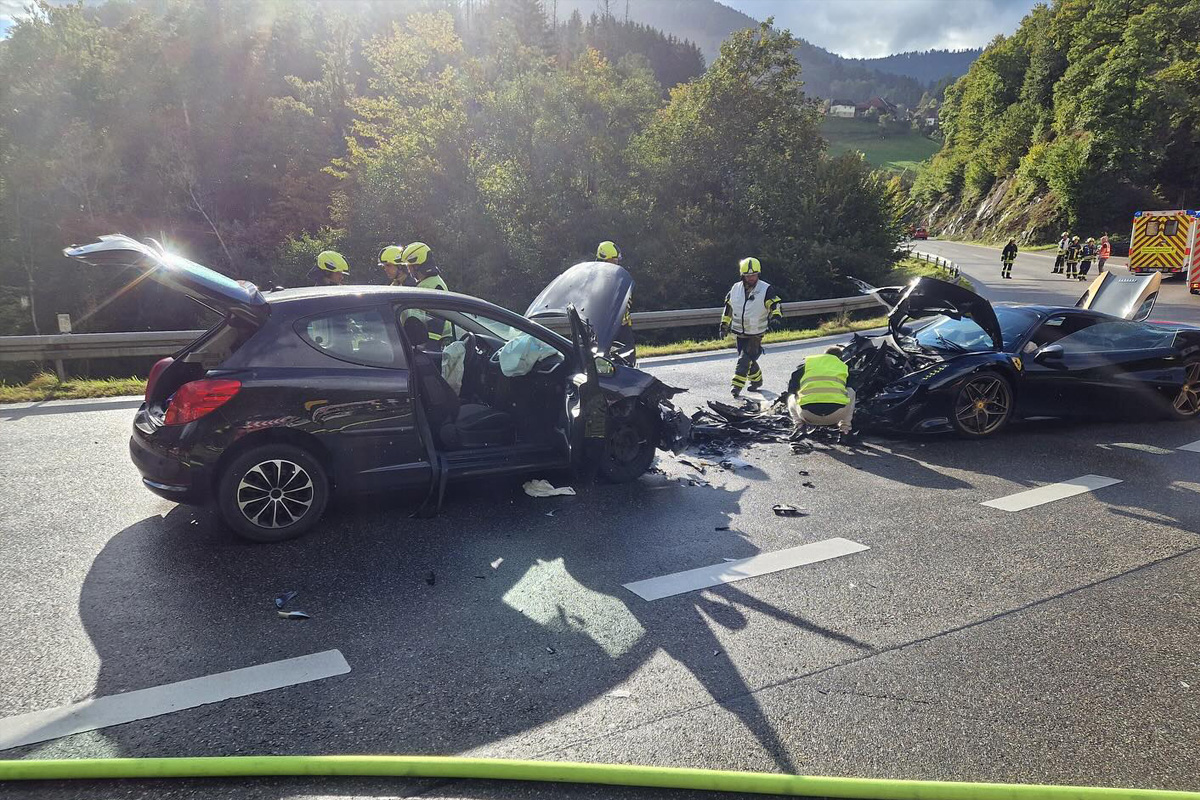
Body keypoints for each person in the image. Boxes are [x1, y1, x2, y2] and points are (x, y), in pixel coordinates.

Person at [719, 257, 782, 398]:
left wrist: (776, 316)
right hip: (740, 332)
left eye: (754, 275)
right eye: (748, 276)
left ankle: (736, 386)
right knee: (749, 360)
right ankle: (757, 381)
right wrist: (724, 325)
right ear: (743, 275)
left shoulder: (766, 289)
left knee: (744, 360)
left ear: (758, 273)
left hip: (756, 333)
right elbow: (728, 308)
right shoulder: (735, 289)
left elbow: (774, 304)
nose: (751, 278)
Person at [786, 346, 855, 434]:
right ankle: (845, 429)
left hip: (808, 416)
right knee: (851, 392)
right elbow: (852, 386)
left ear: (824, 354)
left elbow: (792, 389)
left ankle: (799, 426)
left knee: (791, 397)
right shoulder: (843, 367)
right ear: (840, 357)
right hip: (836, 416)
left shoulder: (808, 364)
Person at [400, 241, 452, 347]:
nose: (408, 270)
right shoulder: (425, 283)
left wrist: (431, 347)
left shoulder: (435, 285)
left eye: (409, 266)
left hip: (438, 343)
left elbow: (437, 320)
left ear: (417, 265)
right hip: (423, 343)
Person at [597, 240, 635, 354]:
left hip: (622, 325)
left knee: (629, 354)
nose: (616, 263)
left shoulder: (618, 275)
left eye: (617, 260)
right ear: (604, 259)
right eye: (613, 260)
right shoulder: (596, 278)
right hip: (605, 327)